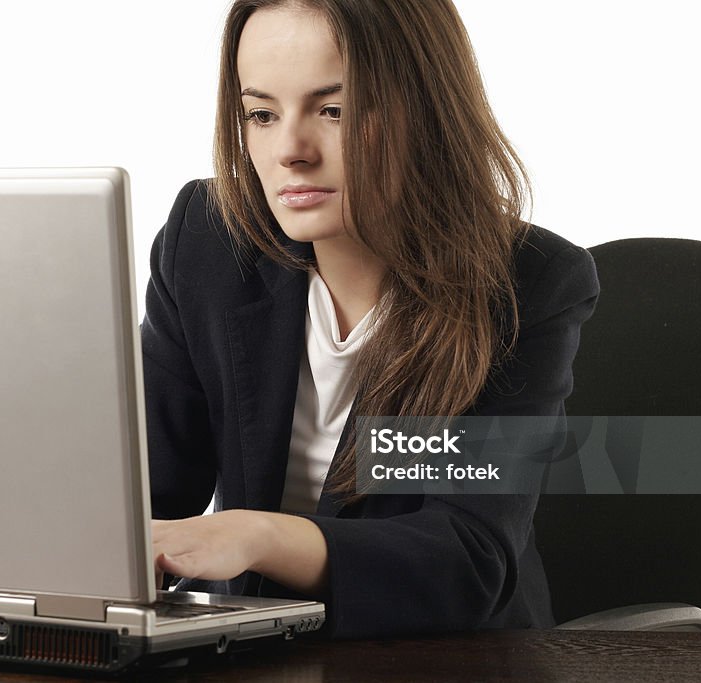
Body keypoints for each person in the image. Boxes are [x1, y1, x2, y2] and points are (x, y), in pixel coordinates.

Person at [142, 0, 599, 639]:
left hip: (438, 657)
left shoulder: (527, 282)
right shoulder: (209, 241)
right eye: (262, 114)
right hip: (241, 645)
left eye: (334, 110)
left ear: (426, 108)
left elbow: (466, 558)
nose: (290, 151)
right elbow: (150, 490)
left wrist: (262, 535)